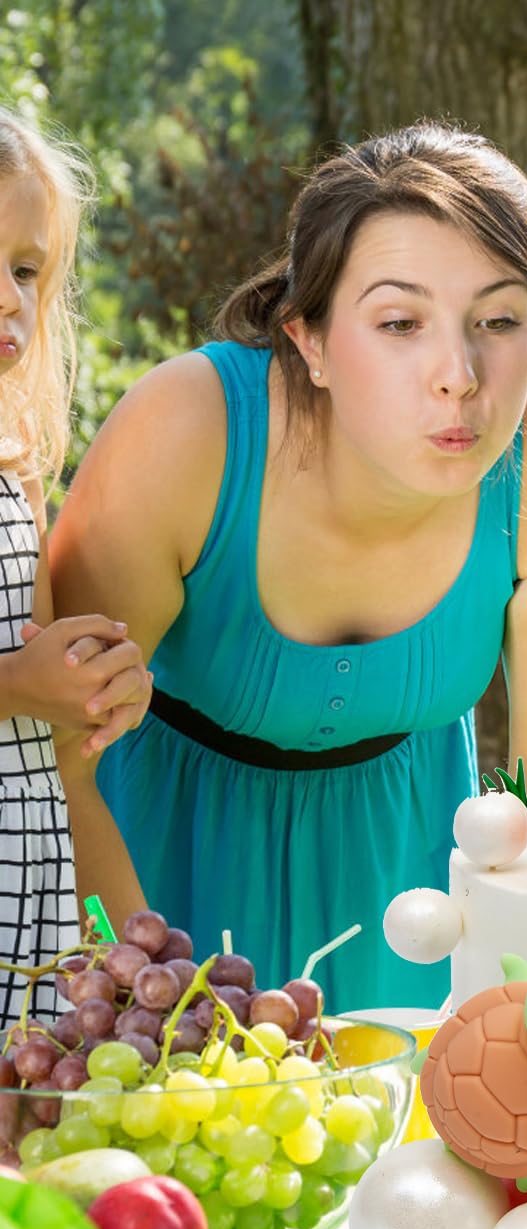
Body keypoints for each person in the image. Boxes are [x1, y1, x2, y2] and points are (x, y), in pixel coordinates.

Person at [48, 122, 527, 1010]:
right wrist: (134, 993)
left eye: (500, 320)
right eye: (400, 323)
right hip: (146, 880)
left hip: (414, 906)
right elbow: (54, 764)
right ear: (308, 340)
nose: (459, 375)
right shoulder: (185, 429)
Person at [0, 111, 150, 1024]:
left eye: (25, 269)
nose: (9, 298)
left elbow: (63, 765)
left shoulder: (16, 470)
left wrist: (143, 970)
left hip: (32, 935)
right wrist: (16, 683)